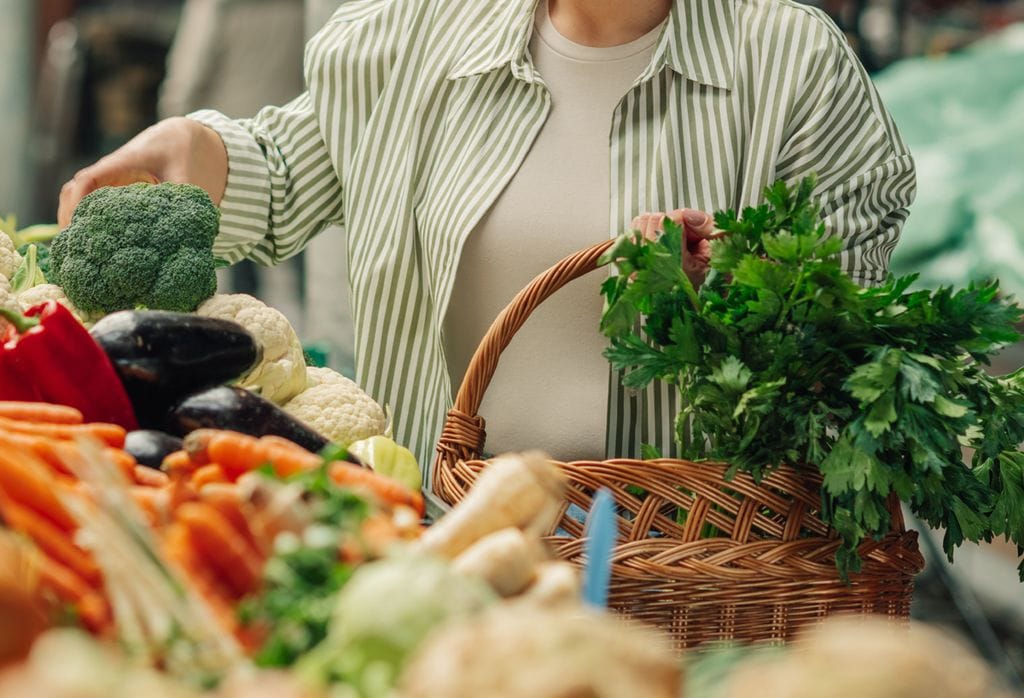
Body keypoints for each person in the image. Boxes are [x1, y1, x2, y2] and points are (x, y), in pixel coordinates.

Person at [58, 0, 916, 485]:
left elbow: (858, 337)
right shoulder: (405, 40)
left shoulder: (796, 65)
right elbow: (286, 168)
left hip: (693, 569)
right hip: (444, 543)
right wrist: (197, 151)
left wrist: (748, 276)